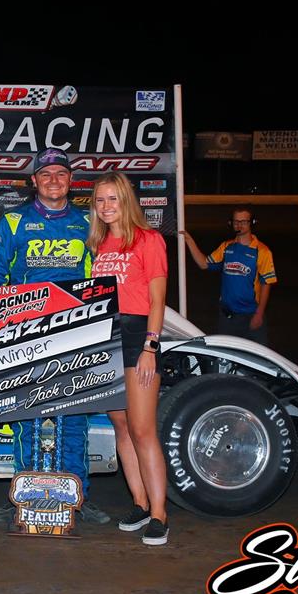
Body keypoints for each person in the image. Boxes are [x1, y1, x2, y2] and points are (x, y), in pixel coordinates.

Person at [0, 147, 110, 525]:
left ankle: (78, 497)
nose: (54, 180)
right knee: (27, 415)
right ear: (34, 181)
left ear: (71, 181)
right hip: (25, 333)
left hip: (78, 331)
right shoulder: (12, 222)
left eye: (61, 173)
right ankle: (21, 497)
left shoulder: (89, 222)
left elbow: (102, 276)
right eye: (46, 174)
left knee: (75, 419)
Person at [88, 172, 171, 545]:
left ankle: (159, 513)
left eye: (112, 199)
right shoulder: (100, 244)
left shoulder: (149, 240)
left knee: (142, 429)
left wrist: (151, 347)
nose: (106, 207)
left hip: (139, 339)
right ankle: (139, 504)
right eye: (100, 201)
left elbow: (157, 301)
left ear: (126, 200)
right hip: (107, 342)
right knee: (120, 426)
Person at [182, 207, 277, 344]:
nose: (239, 225)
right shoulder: (226, 247)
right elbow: (204, 263)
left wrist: (259, 313)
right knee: (225, 359)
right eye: (236, 221)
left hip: (251, 316)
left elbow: (266, 283)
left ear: (252, 223)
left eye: (243, 221)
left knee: (257, 359)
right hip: (227, 317)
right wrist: (189, 240)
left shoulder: (262, 251)